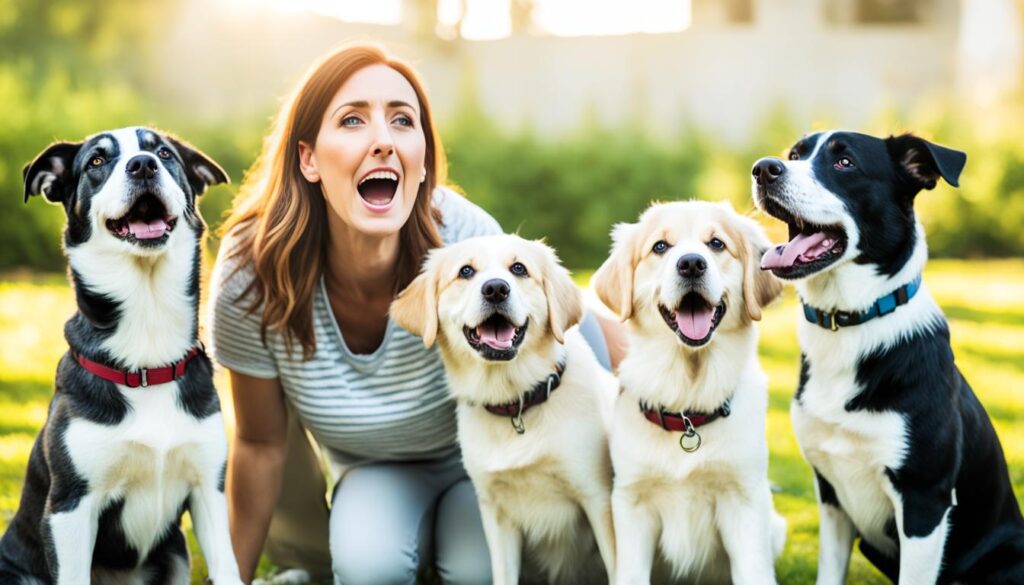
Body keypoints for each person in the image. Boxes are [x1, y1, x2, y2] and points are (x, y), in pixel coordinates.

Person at [209, 43, 623, 584]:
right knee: (367, 570)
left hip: (484, 451)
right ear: (308, 157)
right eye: (353, 119)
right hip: (373, 468)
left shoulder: (469, 240)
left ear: (422, 157)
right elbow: (260, 444)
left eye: (402, 121)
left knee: (478, 574)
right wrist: (228, 579)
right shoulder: (251, 271)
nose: (383, 140)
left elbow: (569, 324)